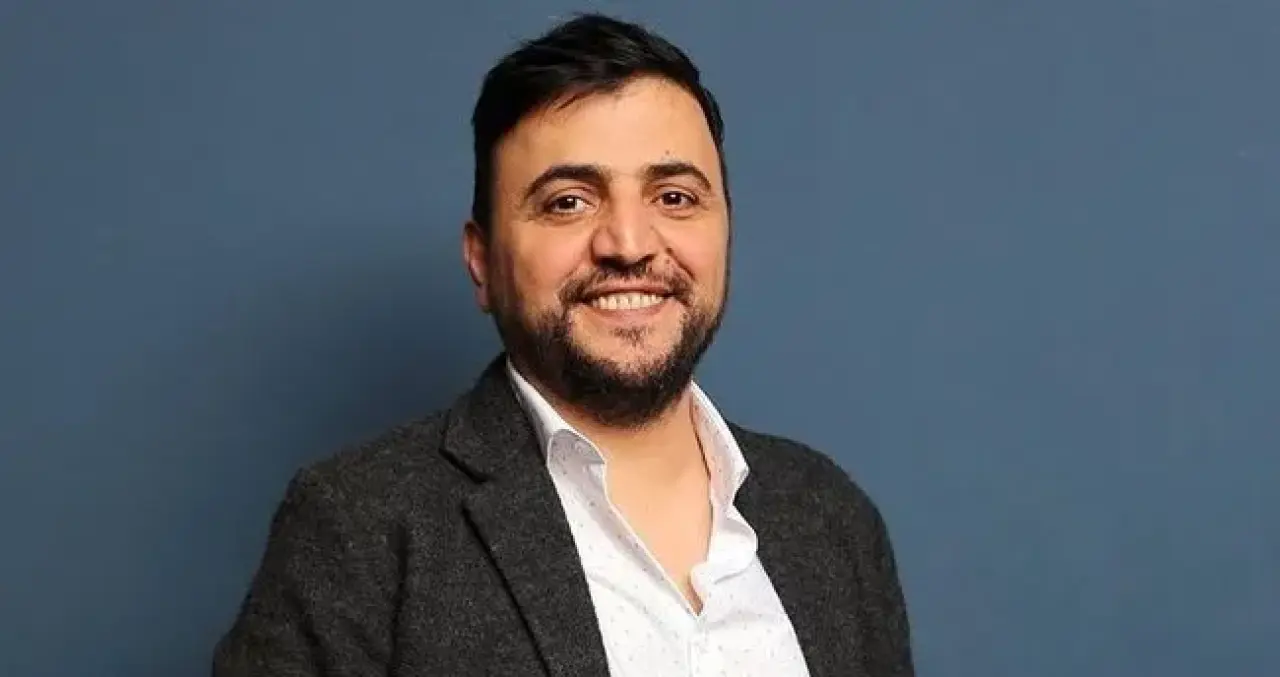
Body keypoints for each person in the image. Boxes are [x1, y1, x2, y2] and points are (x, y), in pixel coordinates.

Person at [213, 12, 913, 677]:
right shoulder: (358, 525)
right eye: (568, 202)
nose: (629, 244)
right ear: (482, 261)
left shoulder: (830, 516)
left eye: (674, 197)